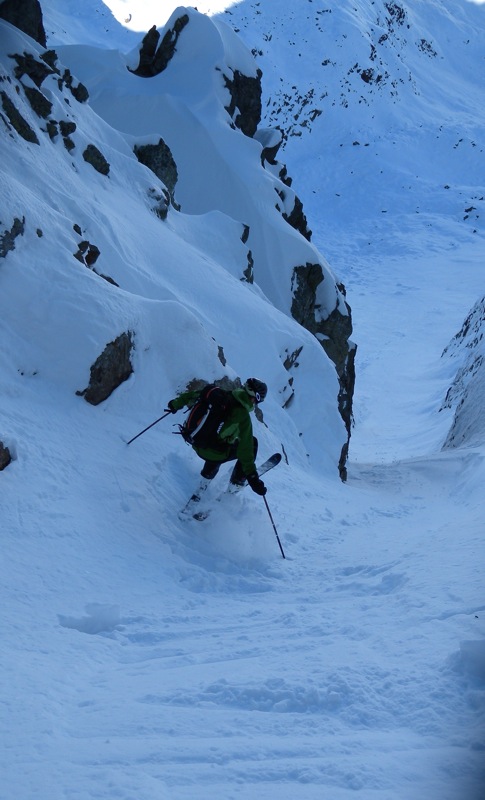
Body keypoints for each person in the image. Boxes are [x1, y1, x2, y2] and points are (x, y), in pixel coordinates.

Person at [167, 378, 267, 495]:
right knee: (250, 442)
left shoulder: (220, 396)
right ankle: (236, 484)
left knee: (218, 440)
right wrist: (252, 477)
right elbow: (246, 449)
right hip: (213, 454)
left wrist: (175, 404)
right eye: (257, 401)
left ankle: (206, 478)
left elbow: (194, 395)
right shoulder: (243, 416)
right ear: (254, 398)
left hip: (196, 443)